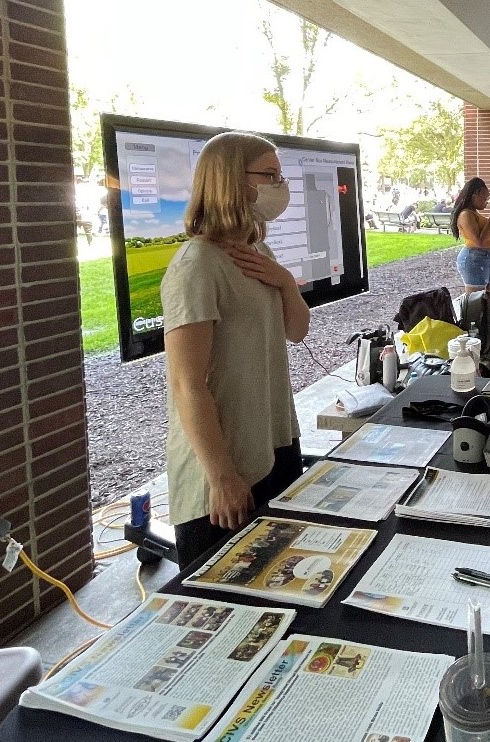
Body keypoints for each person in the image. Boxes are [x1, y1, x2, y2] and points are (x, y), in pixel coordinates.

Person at [160, 131, 310, 571]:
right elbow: (187, 385)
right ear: (229, 180)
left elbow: (297, 330)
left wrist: (283, 281)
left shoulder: (256, 252)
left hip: (274, 444)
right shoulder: (196, 266)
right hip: (225, 468)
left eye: (279, 176)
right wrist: (221, 475)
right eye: (269, 175)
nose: (278, 187)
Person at [450, 176, 490, 299]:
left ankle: (488, 318)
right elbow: (478, 241)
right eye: (485, 198)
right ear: (475, 195)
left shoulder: (474, 213)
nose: (486, 202)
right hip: (474, 257)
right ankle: (476, 319)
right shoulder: (466, 214)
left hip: (486, 257)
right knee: (476, 300)